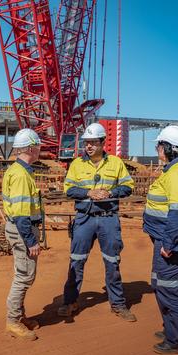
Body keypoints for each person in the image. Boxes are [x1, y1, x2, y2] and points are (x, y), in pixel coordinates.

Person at [58, 123, 137, 321]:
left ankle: (118, 304)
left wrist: (110, 192)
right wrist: (88, 193)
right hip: (84, 219)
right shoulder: (77, 164)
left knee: (112, 262)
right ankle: (70, 302)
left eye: (93, 142)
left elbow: (128, 186)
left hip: (108, 218)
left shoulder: (116, 163)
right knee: (76, 260)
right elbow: (69, 189)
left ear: (103, 143)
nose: (89, 146)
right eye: (87, 143)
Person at [144, 126, 178, 354]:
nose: (157, 149)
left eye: (159, 145)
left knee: (171, 289)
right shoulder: (174, 170)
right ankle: (172, 328)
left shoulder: (176, 174)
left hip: (172, 242)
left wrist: (168, 244)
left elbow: (177, 213)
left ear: (167, 147)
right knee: (160, 284)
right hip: (166, 238)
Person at [2, 128, 44, 341]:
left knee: (24, 273)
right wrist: (30, 240)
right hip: (22, 231)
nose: (39, 150)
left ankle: (20, 314)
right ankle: (13, 320)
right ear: (29, 148)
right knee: (24, 276)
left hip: (20, 229)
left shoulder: (19, 170)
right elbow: (20, 214)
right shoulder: (20, 175)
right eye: (37, 146)